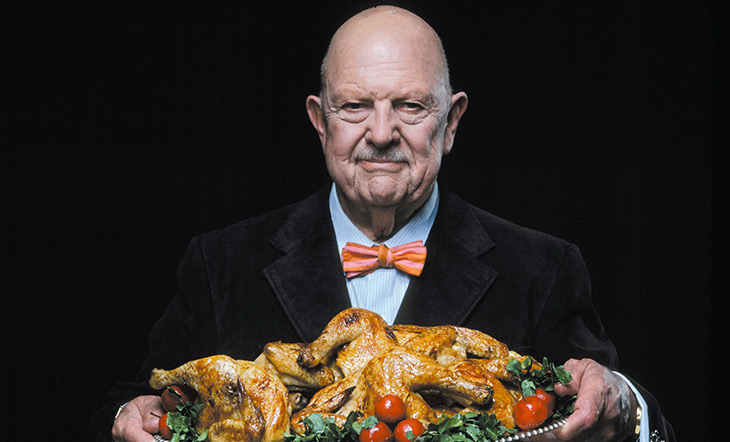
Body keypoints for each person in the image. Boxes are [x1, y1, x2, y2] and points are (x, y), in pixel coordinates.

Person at [92, 5, 675, 442]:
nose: (379, 132)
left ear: (451, 122)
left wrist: (624, 402)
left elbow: (622, 409)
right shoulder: (220, 264)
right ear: (321, 122)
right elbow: (136, 402)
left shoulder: (543, 269)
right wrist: (127, 419)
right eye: (354, 107)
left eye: (410, 106)